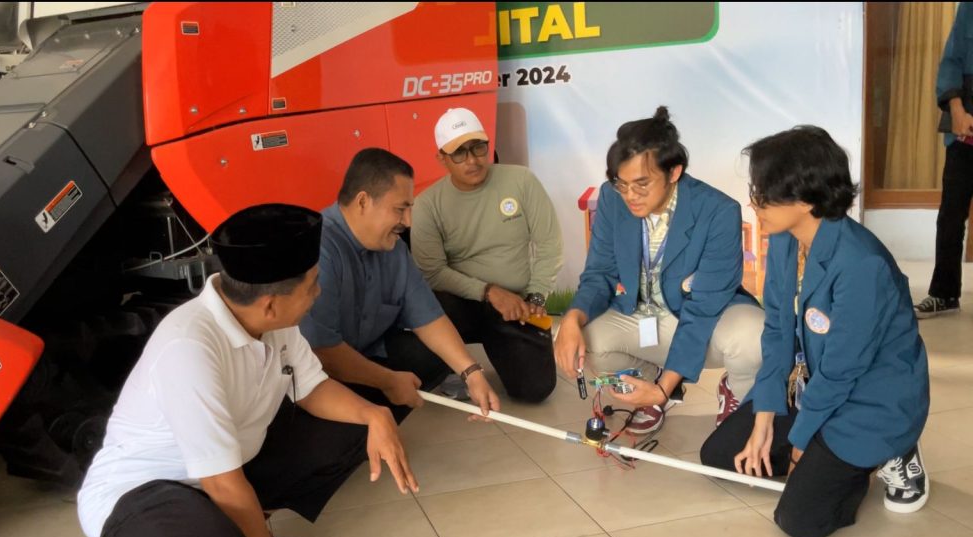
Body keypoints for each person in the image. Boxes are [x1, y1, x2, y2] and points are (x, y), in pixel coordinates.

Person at [78, 204, 419, 537]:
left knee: (354, 425)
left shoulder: (273, 321)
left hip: (223, 470)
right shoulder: (189, 348)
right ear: (270, 304)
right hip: (142, 493)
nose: (318, 293)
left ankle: (245, 536)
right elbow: (223, 484)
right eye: (312, 286)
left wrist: (375, 415)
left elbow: (311, 387)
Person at [700, 126, 930, 537]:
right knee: (719, 456)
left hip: (868, 399)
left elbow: (844, 370)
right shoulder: (787, 240)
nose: (754, 206)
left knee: (800, 520)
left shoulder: (862, 265)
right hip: (816, 386)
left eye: (762, 194)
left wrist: (803, 440)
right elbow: (776, 331)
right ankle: (825, 450)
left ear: (804, 200)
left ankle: (889, 450)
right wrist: (764, 417)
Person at [553, 106, 764, 433]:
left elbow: (704, 308)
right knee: (579, 335)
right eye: (621, 184)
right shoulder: (611, 198)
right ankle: (646, 387)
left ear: (674, 172)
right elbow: (600, 274)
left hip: (699, 317)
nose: (630, 196)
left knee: (753, 335)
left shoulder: (718, 211)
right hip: (640, 315)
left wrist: (661, 392)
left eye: (641, 184)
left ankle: (736, 393)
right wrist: (571, 318)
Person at [300, 147, 501, 423]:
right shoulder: (319, 248)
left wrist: (472, 373)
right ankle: (368, 413)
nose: (407, 222)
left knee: (433, 356)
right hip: (318, 377)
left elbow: (427, 316)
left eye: (410, 208)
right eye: (400, 209)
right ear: (362, 202)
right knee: (341, 439)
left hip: (367, 356)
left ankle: (376, 408)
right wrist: (388, 381)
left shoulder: (392, 248)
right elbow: (322, 349)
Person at [410, 107, 563, 403]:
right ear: (441, 158)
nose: (472, 160)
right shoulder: (427, 205)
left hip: (516, 305)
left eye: (478, 147)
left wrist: (536, 297)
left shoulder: (522, 181)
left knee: (536, 390)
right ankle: (454, 369)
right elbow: (432, 271)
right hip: (460, 305)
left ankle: (502, 351)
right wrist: (490, 292)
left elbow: (549, 244)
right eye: (459, 153)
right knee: (432, 304)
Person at [915, 2, 973, 319]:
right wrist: (957, 110)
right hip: (966, 133)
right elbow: (951, 61)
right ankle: (944, 293)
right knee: (950, 216)